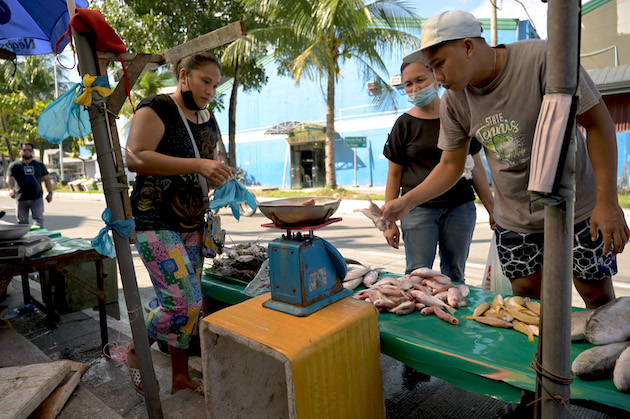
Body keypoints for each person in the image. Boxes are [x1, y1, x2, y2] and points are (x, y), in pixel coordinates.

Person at [381, 10, 629, 309]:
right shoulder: (454, 101)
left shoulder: (543, 58)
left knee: (597, 296)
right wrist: (407, 202)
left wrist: (607, 202)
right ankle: (537, 358)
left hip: (578, 209)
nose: (438, 78)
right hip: (515, 218)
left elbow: (598, 123)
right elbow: (451, 165)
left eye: (439, 65)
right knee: (524, 303)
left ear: (468, 47)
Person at [124, 52, 232, 395]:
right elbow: (136, 156)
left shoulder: (208, 118)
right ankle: (134, 351)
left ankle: (180, 376)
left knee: (186, 304)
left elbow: (204, 167)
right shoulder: (156, 107)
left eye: (215, 85)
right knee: (185, 303)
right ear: (183, 76)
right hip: (155, 219)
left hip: (192, 223)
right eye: (205, 81)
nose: (211, 91)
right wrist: (200, 165)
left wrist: (218, 176)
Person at [383, 59, 494, 282]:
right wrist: (389, 221)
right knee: (416, 276)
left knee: (454, 275)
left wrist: (493, 209)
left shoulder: (460, 117)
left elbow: (476, 167)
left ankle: (454, 316)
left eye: (420, 80)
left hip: (459, 208)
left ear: (436, 77)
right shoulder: (404, 125)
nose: (415, 89)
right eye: (408, 84)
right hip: (417, 210)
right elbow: (394, 174)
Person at [6, 142, 54, 228]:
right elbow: (10, 179)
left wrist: (50, 193)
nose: (27, 152)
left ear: (32, 152)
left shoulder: (39, 165)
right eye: (25, 150)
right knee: (22, 222)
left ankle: (39, 238)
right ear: (20, 151)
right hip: (21, 198)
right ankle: (25, 240)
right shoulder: (15, 165)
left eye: (30, 150)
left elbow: (47, 179)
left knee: (38, 219)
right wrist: (10, 189)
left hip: (37, 197)